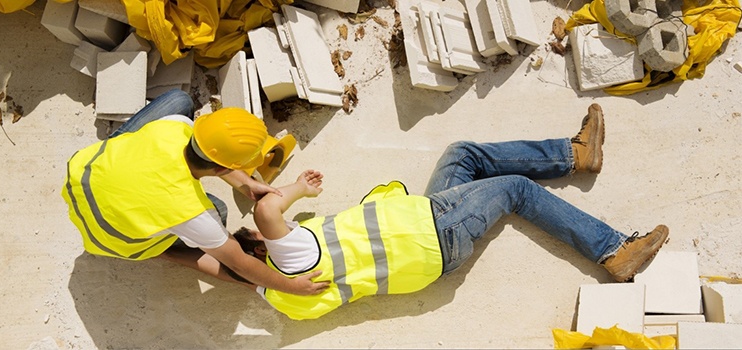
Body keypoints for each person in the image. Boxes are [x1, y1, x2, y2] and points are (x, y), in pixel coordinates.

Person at [233, 103, 670, 320]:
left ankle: (576, 154)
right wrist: (296, 189)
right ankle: (613, 250)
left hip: (427, 237)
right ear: (260, 249)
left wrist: (204, 255)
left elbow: (229, 268)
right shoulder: (292, 257)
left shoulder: (281, 298)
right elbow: (268, 210)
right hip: (434, 230)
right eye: (257, 238)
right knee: (516, 189)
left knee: (462, 155)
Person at [62, 89, 329, 296]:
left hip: (82, 177)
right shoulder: (195, 214)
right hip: (110, 238)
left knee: (179, 100)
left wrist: (245, 183)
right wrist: (292, 287)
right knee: (220, 212)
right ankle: (160, 249)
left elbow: (211, 156)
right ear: (224, 168)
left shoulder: (174, 126)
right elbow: (239, 265)